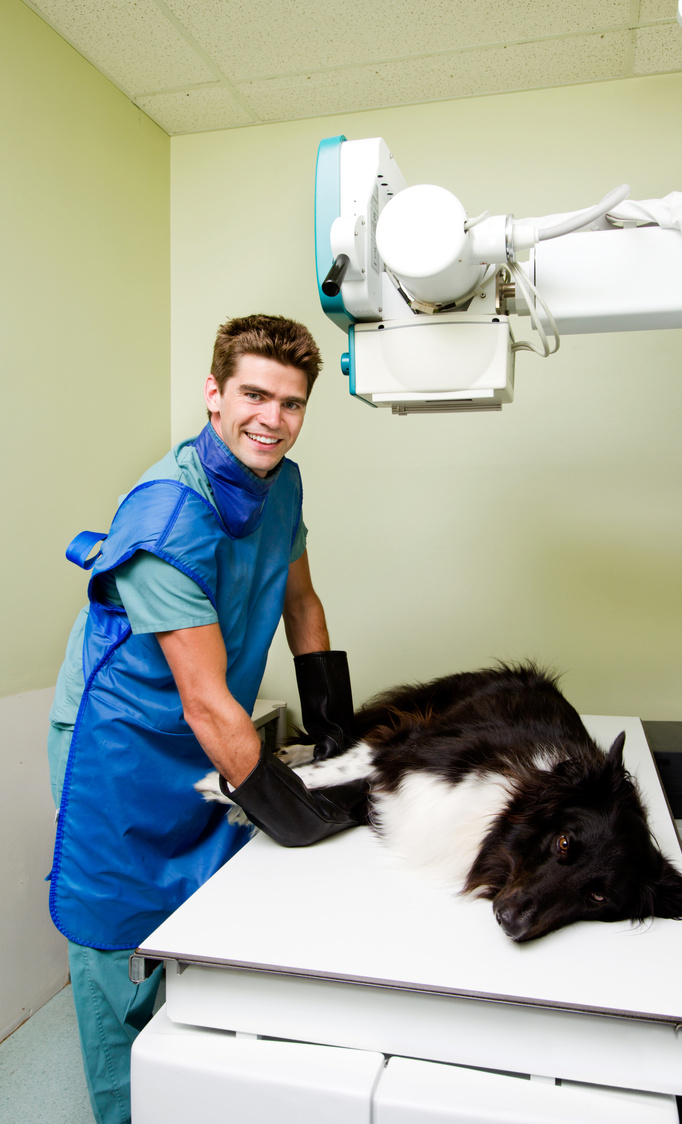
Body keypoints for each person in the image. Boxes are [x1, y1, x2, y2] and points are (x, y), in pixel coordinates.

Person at [47, 314, 366, 1124]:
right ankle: (122, 1108)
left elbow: (300, 600)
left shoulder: (281, 480)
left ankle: (193, 1079)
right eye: (254, 395)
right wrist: (297, 813)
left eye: (291, 403)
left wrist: (335, 725)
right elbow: (204, 700)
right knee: (116, 932)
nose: (272, 418)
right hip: (118, 746)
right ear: (214, 393)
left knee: (209, 912)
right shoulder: (166, 520)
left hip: (206, 729)